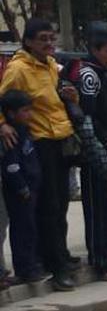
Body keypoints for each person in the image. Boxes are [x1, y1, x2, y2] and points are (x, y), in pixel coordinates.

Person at [0, 18, 79, 291]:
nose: (49, 43)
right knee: (48, 206)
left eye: (51, 38)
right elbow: (3, 100)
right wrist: (3, 124)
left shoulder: (50, 66)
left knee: (61, 205)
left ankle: (58, 257)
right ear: (29, 42)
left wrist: (72, 98)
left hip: (60, 139)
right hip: (38, 142)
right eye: (43, 38)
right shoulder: (18, 69)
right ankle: (56, 268)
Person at [67, 22, 107, 281]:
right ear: (95, 48)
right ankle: (100, 260)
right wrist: (106, 143)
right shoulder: (89, 75)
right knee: (98, 207)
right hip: (95, 151)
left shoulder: (106, 73)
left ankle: (106, 252)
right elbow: (88, 118)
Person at [0, 90, 45, 284]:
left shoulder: (25, 130)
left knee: (30, 227)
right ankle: (24, 268)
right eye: (25, 111)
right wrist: (21, 187)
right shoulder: (10, 135)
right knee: (21, 228)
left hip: (32, 185)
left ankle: (32, 264)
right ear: (11, 113)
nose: (29, 115)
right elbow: (11, 165)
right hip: (20, 190)